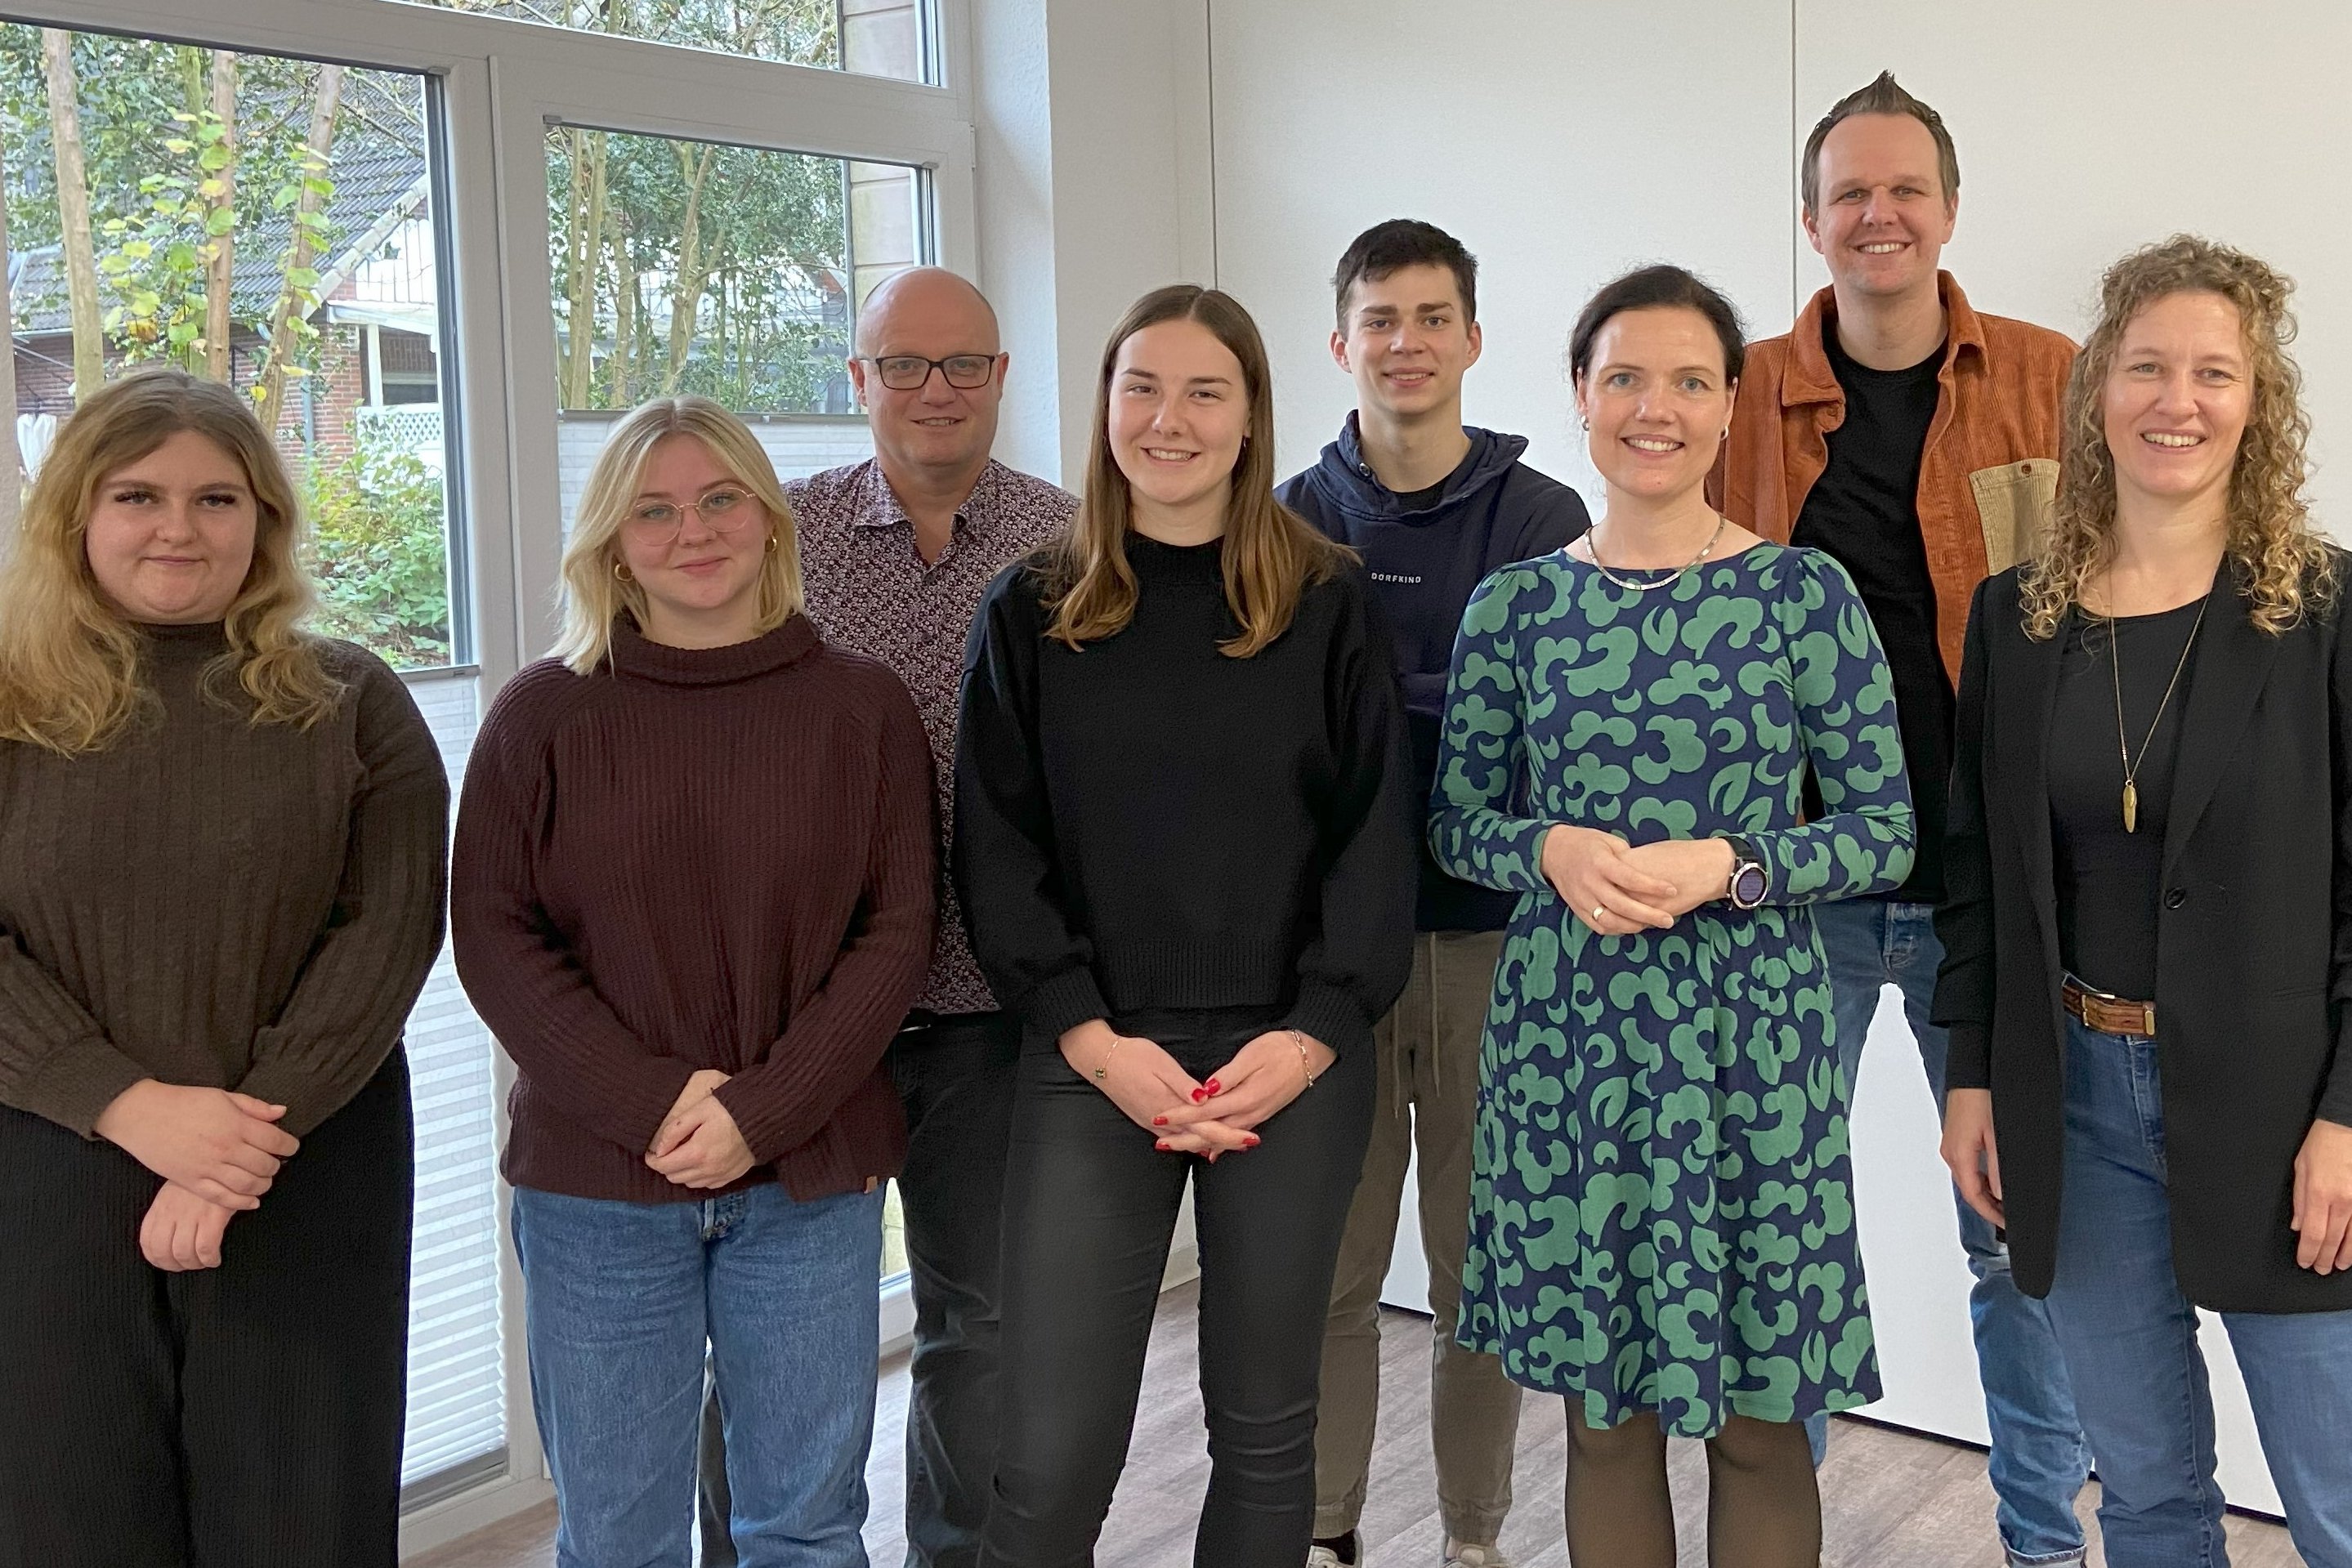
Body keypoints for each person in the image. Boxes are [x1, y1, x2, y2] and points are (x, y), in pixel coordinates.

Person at [1433, 265, 1915, 1568]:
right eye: (1625, 378)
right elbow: (1456, 820)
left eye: (1689, 381)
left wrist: (1731, 867)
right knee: (1607, 1417)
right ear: (1580, 399)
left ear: (1726, 409)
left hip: (1749, 1047)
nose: (1656, 407)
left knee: (1761, 1417)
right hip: (1569, 1050)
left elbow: (1882, 832)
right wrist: (1546, 845)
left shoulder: (1800, 596)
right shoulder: (1515, 607)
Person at [955, 284, 1416, 1568]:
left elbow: (1373, 839)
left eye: (1204, 390)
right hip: (1092, 1060)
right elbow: (997, 851)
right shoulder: (1031, 609)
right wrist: (1093, 1041)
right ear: (1104, 407)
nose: (1169, 420)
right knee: (1051, 1451)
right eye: (1141, 388)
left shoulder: (1323, 600)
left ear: (1252, 416)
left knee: (1268, 1436)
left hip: (1291, 1064)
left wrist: (1315, 1032)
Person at [1710, 69, 2092, 1562]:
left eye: (1903, 189)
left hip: (1992, 886)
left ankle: (2041, 1545)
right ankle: (1775, 1534)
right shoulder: (1732, 389)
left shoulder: (2052, 375)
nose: (1877, 215)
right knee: (1779, 1227)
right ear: (1810, 222)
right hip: (1790, 886)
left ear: (1946, 209)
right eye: (1848, 192)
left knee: (2014, 1238)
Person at [451, 396, 934, 1568]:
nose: (692, 531)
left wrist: (757, 1115)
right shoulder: (545, 714)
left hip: (809, 1185)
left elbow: (897, 935)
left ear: (769, 520)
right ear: (612, 543)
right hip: (598, 1190)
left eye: (720, 499)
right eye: (653, 511)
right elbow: (495, 941)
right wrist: (661, 1107)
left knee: (806, 1529)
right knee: (618, 1538)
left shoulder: (860, 708)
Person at [1935, 235, 2352, 1568]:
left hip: (2285, 1109)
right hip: (2073, 1099)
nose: (2177, 400)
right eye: (2147, 366)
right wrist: (1971, 1077)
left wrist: (2348, 1116)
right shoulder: (2015, 619)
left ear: (2256, 404)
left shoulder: (2327, 608)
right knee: (2150, 1498)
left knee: (2336, 1501)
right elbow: (1982, 880)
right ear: (2097, 391)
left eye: (2213, 373)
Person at [0, 369, 449, 1566]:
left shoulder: (351, 701)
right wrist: (131, 1109)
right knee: (67, 1521)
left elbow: (389, 934)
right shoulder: (8, 702)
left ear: (264, 520)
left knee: (300, 1522)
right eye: (137, 494)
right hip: (48, 1177)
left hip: (304, 1170)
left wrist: (233, 1150)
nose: (178, 529)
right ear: (76, 517)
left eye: (217, 498)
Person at [697, 267, 1075, 1568]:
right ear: (855, 381)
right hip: (798, 1017)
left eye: (962, 364)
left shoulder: (1071, 545)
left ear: (1001, 378)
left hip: (994, 1013)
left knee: (985, 1324)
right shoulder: (771, 538)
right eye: (901, 366)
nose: (933, 391)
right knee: (758, 1327)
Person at [1277, 217, 1588, 1568]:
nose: (1404, 343)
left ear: (1471, 338)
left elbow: (1550, 736)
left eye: (1430, 317)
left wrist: (1386, 712)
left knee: (1482, 1287)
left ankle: (1472, 1539)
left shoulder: (1541, 520)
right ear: (1339, 341)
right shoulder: (1284, 518)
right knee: (1329, 1284)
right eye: (1378, 319)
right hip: (1329, 963)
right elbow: (1280, 737)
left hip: (1496, 951)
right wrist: (1445, 704)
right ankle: (1326, 1532)